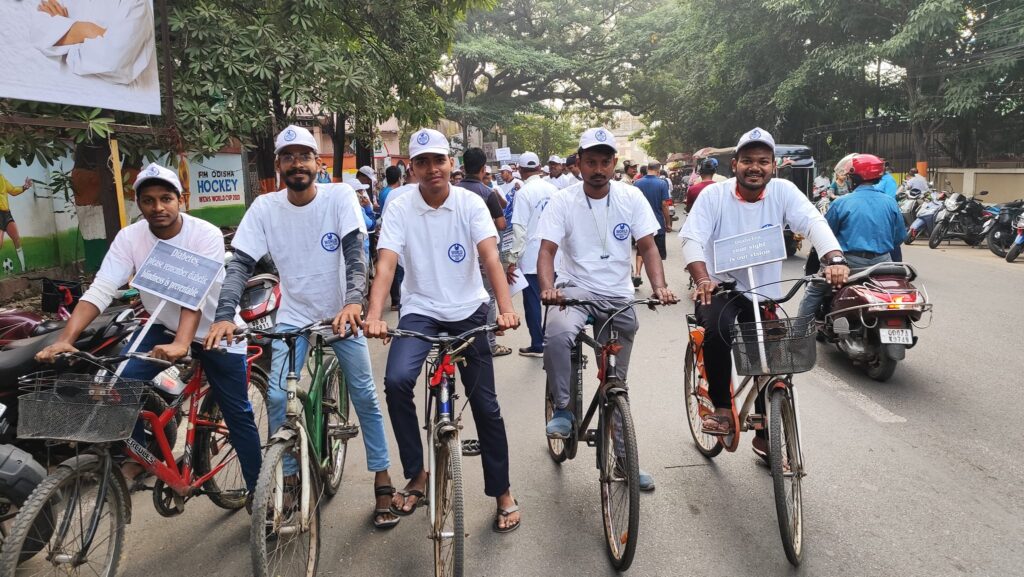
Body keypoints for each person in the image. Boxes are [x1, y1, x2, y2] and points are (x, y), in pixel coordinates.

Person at [205, 125, 400, 529]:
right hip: (293, 316)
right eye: (289, 157)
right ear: (278, 165)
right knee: (278, 398)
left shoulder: (340, 196)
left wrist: (353, 302)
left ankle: (382, 477)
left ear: (318, 163)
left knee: (365, 394)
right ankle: (290, 474)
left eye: (305, 156)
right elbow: (240, 262)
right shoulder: (265, 208)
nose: (298, 163)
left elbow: (355, 253)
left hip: (340, 315)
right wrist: (225, 314)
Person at [36, 163, 262, 496]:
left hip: (215, 329)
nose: (158, 207)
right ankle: (143, 459)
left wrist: (183, 343)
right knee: (116, 385)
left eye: (166, 198)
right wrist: (64, 340)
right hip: (164, 324)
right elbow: (102, 288)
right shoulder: (130, 237)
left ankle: (263, 496)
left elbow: (193, 292)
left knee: (237, 414)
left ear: (180, 200)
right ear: (139, 204)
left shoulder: (204, 234)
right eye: (149, 200)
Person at [362, 128, 523, 533]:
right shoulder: (399, 207)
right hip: (421, 311)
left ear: (450, 164)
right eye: (422, 162)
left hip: (469, 310)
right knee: (397, 381)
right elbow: (385, 264)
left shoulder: (471, 203)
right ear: (411, 168)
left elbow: (490, 258)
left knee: (486, 405)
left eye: (438, 160)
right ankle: (417, 473)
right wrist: (375, 314)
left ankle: (502, 491)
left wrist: (504, 309)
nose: (432, 169)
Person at [679, 127, 849, 459]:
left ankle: (766, 432)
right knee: (715, 332)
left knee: (772, 357)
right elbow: (692, 240)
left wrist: (835, 257)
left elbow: (813, 222)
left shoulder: (784, 192)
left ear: (774, 165)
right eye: (747, 161)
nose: (754, 167)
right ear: (735, 164)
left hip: (764, 292)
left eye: (762, 161)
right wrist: (702, 279)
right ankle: (722, 407)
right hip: (722, 289)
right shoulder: (714, 196)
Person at [537, 128, 678, 491]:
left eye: (604, 162)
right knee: (557, 333)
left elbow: (648, 246)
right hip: (574, 288)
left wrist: (659, 286)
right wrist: (548, 288)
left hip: (617, 294)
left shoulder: (631, 197)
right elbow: (547, 251)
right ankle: (565, 409)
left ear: (614, 163)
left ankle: (623, 460)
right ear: (579, 164)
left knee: (617, 382)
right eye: (590, 162)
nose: (598, 169)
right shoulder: (562, 201)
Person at [797, 154, 906, 320]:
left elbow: (825, 235)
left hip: (849, 264)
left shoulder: (842, 203)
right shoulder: (890, 202)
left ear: (853, 178)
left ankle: (799, 339)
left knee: (813, 291)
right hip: (883, 264)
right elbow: (899, 237)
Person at [460, 147, 513, 357]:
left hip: (458, 255)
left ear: (463, 167)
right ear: (483, 169)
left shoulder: (453, 191)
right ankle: (490, 343)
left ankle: (462, 340)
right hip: (484, 254)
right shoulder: (487, 193)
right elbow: (501, 224)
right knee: (489, 296)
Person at [505, 151, 559, 357]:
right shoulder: (554, 189)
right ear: (539, 168)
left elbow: (519, 230)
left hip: (531, 257)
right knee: (554, 300)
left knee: (533, 302)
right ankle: (554, 341)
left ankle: (538, 344)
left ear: (520, 170)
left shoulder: (524, 193)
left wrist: (512, 260)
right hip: (554, 255)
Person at [31, 0, 156, 87]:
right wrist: (90, 30)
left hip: (110, 104)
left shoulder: (137, 3)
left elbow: (113, 60)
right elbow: (38, 32)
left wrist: (64, 28)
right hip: (58, 96)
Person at [632, 160, 672, 288]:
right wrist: (668, 222)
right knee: (656, 253)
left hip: (641, 224)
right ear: (658, 170)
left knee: (641, 250)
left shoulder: (637, 183)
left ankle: (638, 273)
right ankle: (659, 282)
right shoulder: (662, 183)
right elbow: (664, 204)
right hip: (658, 223)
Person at [0, 172, 31, 271]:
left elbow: (13, 190)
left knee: (16, 239)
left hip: (6, 214)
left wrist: (25, 187)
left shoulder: (1, 177)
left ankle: (23, 269)